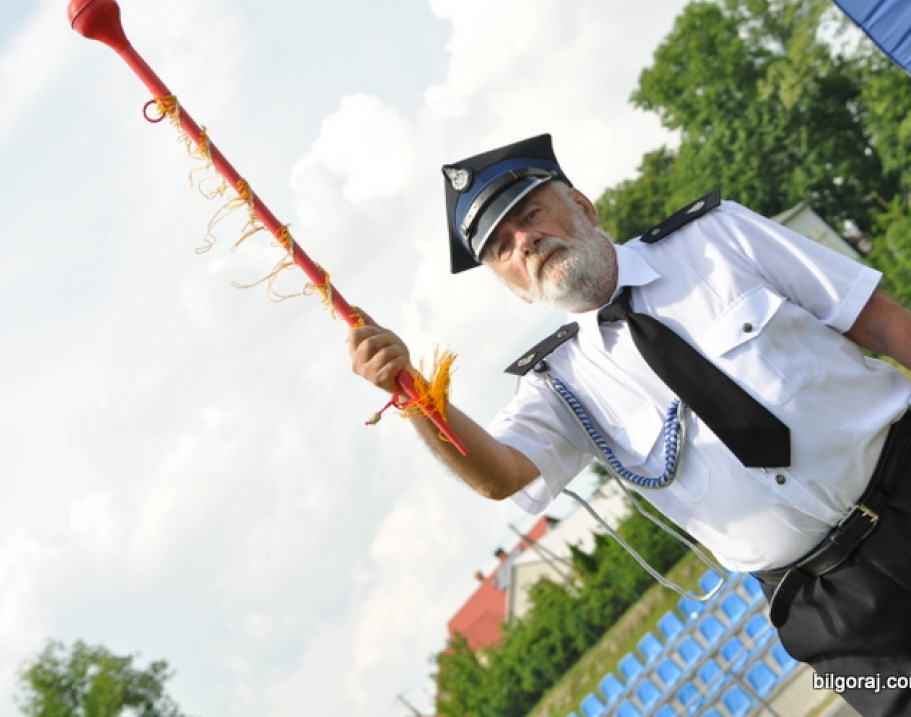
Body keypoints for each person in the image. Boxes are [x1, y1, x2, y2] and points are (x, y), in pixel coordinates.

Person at [348, 134, 911, 716]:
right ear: (512, 287)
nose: (526, 242)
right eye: (503, 248)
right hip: (834, 611)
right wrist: (416, 398)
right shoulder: (556, 384)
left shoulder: (716, 239)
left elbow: (885, 327)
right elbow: (502, 476)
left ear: (583, 208)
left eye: (530, 214)